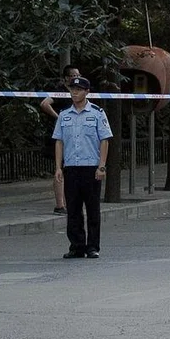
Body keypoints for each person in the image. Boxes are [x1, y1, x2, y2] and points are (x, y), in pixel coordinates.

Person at [53, 76, 113, 259]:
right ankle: (77, 246)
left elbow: (104, 140)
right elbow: (59, 141)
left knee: (93, 209)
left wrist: (101, 166)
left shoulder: (96, 113)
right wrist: (58, 167)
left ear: (87, 92)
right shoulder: (64, 115)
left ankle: (92, 246)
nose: (74, 93)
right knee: (73, 209)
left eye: (78, 90)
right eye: (72, 89)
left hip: (90, 167)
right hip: (72, 167)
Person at [40, 65, 81, 215]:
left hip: (71, 135)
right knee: (61, 169)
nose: (77, 77)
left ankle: (67, 203)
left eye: (78, 74)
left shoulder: (74, 93)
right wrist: (60, 118)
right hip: (60, 136)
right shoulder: (61, 92)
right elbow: (44, 103)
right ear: (67, 78)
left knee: (69, 169)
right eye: (74, 75)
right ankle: (60, 205)